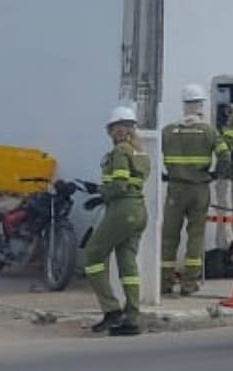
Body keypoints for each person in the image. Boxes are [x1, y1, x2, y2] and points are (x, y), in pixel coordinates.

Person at [83, 105, 149, 336]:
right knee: (127, 264)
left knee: (92, 255)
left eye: (112, 128)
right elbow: (131, 182)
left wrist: (99, 192)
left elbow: (120, 185)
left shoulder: (120, 151)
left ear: (118, 128)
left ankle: (111, 310)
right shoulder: (140, 152)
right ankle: (132, 318)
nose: (111, 133)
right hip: (139, 209)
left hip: (122, 209)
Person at [160, 83, 231, 295]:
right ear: (201, 105)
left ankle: (164, 281)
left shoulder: (168, 132)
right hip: (200, 189)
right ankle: (189, 283)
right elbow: (225, 156)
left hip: (175, 188)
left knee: (169, 236)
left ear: (184, 105)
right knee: (196, 236)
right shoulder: (209, 132)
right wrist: (216, 175)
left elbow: (153, 154)